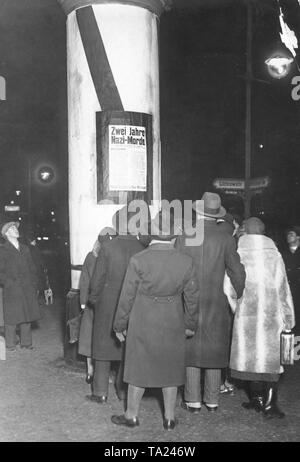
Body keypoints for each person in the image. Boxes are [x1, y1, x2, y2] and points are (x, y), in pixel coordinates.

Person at [111, 210, 199, 430]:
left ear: (152, 233)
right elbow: (192, 297)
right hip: (172, 318)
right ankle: (169, 418)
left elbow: (126, 296)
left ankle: (131, 416)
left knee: (138, 368)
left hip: (143, 318)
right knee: (170, 368)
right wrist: (189, 324)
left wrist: (119, 325)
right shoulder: (186, 261)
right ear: (174, 236)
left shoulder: (139, 259)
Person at [176, 192, 246, 412]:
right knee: (215, 348)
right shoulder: (226, 238)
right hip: (217, 300)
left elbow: (175, 269)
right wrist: (239, 294)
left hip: (189, 298)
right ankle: (213, 400)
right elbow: (238, 274)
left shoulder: (184, 236)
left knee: (190, 349)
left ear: (197, 212)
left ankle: (192, 400)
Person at [227, 217, 295, 419]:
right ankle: (269, 404)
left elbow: (228, 288)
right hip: (271, 316)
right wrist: (289, 318)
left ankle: (255, 400)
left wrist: (237, 309)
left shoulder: (238, 253)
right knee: (271, 361)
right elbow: (283, 288)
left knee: (250, 360)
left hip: (245, 316)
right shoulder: (274, 254)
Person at [87, 207, 146, 404]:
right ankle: (123, 392)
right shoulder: (142, 248)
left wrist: (94, 299)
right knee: (126, 349)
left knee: (103, 348)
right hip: (133, 304)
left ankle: (100, 392)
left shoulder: (108, 248)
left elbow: (97, 279)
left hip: (107, 303)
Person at [78, 227, 115, 384]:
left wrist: (83, 301)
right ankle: (101, 372)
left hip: (92, 304)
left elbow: (85, 280)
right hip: (108, 305)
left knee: (89, 337)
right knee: (106, 338)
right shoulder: (114, 255)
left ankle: (90, 371)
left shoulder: (91, 256)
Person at [0, 222, 40, 351]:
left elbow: (32, 267)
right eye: (12, 228)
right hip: (12, 288)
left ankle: (26, 343)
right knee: (11, 316)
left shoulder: (25, 248)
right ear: (6, 234)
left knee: (26, 314)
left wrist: (33, 282)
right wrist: (8, 282)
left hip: (27, 286)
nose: (16, 229)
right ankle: (10, 344)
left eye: (16, 227)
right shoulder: (2, 250)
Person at [282, 226, 300, 333]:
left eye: (291, 234)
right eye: (288, 234)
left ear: (298, 237)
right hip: (288, 292)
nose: (288, 236)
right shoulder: (283, 254)